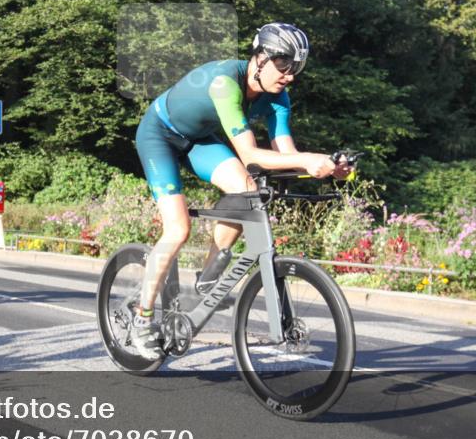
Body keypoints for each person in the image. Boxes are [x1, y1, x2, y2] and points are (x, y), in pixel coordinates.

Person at [130, 23, 352, 358]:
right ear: (260, 59)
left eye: (296, 69)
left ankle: (208, 277)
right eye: (284, 66)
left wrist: (327, 168)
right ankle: (141, 319)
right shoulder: (225, 83)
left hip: (200, 139)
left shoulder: (279, 97)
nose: (290, 76)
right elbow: (249, 155)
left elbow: (285, 154)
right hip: (159, 134)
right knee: (178, 229)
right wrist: (308, 160)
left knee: (247, 191)